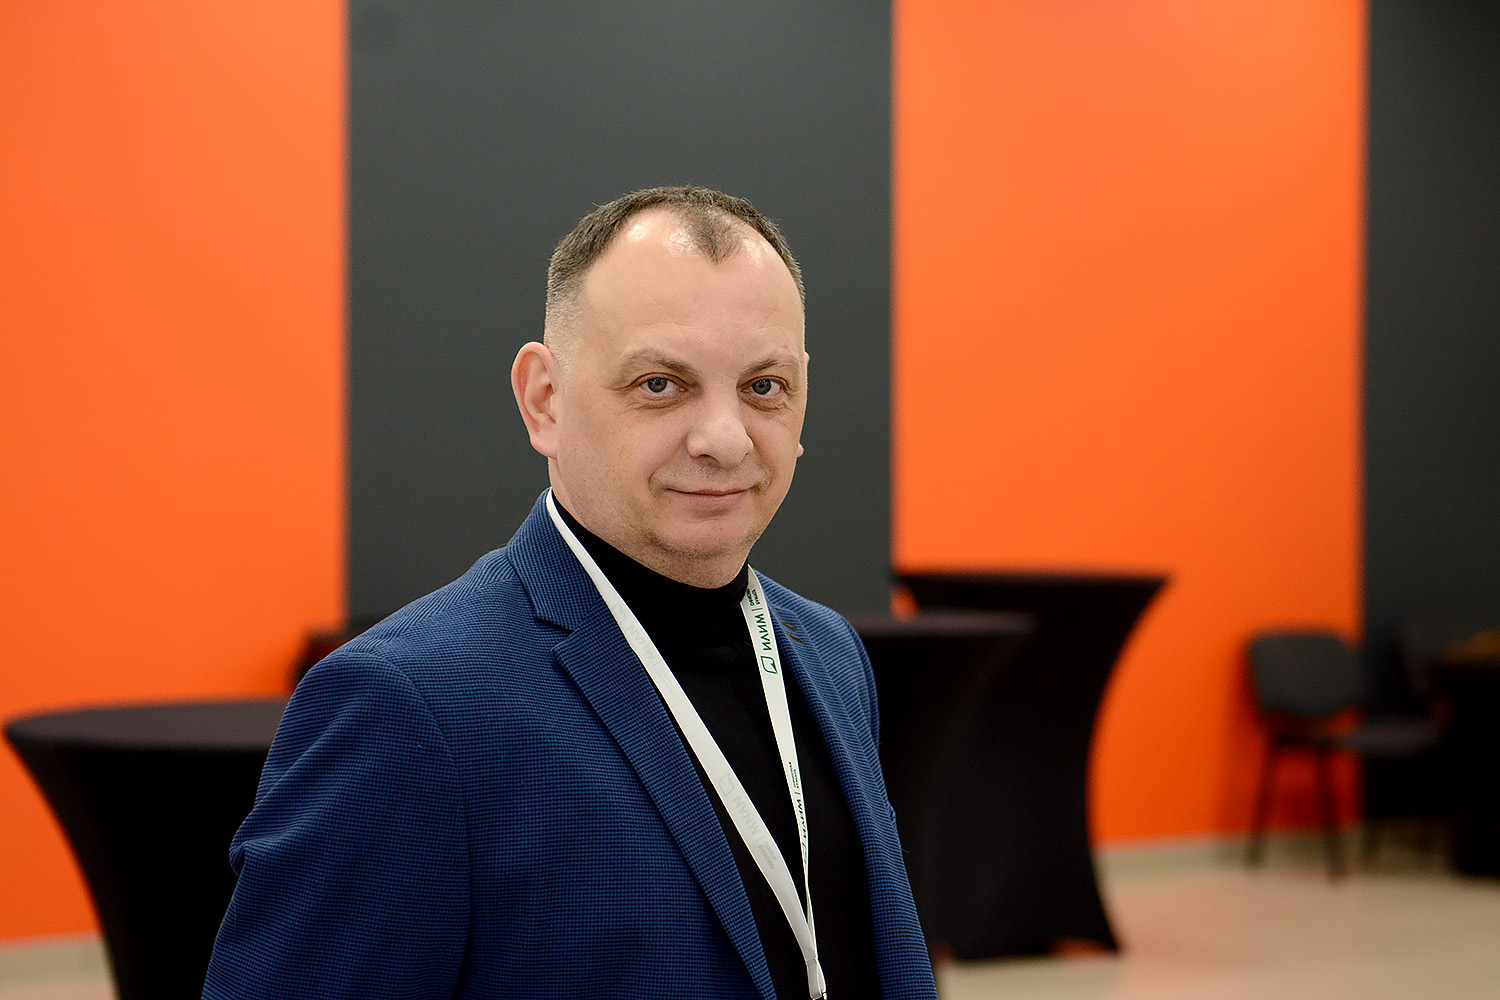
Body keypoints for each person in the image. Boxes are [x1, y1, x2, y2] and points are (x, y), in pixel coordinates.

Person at [203, 186, 937, 1000]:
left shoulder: (828, 654)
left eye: (764, 386)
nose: (725, 439)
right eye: (660, 384)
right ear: (543, 400)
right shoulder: (412, 705)